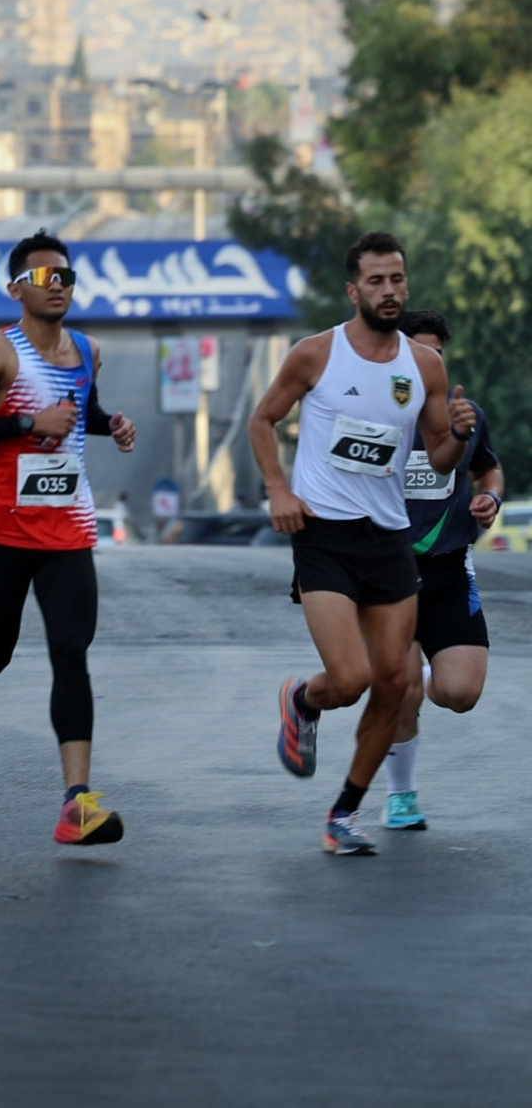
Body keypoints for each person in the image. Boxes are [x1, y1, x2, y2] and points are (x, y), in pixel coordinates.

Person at [247, 231, 477, 855]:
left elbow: (439, 455)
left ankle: (343, 815)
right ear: (354, 291)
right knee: (349, 679)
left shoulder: (424, 365)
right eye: (376, 281)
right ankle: (304, 698)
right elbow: (262, 418)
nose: (389, 290)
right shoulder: (315, 354)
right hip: (323, 534)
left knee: (394, 685)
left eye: (397, 279)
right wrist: (278, 488)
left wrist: (459, 435)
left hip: (389, 538)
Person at [0, 229, 136, 845]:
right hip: (2, 528)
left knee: (71, 650)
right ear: (15, 288)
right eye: (46, 277)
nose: (59, 287)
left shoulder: (88, 350)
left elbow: (80, 410)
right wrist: (27, 421)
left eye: (66, 277)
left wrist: (112, 423)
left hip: (68, 526)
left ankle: (77, 804)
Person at [381, 309, 503, 830]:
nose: (430, 362)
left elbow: (488, 468)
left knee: (461, 693)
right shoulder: (376, 413)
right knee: (401, 691)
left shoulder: (465, 414)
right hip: (389, 572)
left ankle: (425, 672)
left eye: (437, 354)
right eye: (419, 352)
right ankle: (400, 796)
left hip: (450, 568)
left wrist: (490, 498)